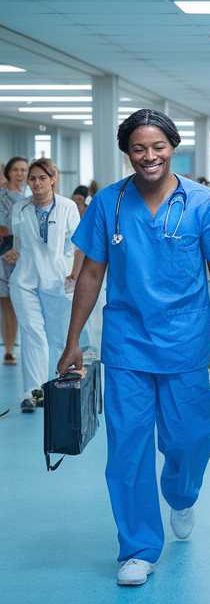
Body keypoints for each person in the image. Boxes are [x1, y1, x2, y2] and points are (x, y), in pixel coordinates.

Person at [58, 108, 210, 587]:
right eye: (138, 148)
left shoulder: (202, 203)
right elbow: (92, 272)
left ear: (172, 147)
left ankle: (180, 492)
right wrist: (74, 340)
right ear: (127, 153)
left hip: (186, 342)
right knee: (129, 449)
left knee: (190, 437)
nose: (149, 156)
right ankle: (138, 547)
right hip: (127, 343)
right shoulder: (108, 204)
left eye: (158, 146)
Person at [5, 158, 82, 413]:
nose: (36, 183)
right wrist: (9, 252)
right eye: (32, 179)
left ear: (53, 179)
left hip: (57, 280)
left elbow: (77, 244)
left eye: (41, 178)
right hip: (24, 281)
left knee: (58, 336)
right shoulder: (20, 208)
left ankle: (58, 385)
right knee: (33, 334)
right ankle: (33, 392)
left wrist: (74, 274)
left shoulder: (68, 207)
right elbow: (17, 242)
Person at [0, 156, 29, 366]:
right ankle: (9, 349)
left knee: (18, 304)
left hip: (24, 257)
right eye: (17, 170)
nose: (20, 174)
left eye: (24, 170)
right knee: (6, 304)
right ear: (8, 172)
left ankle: (16, 346)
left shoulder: (29, 198)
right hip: (3, 256)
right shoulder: (1, 197)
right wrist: (4, 251)